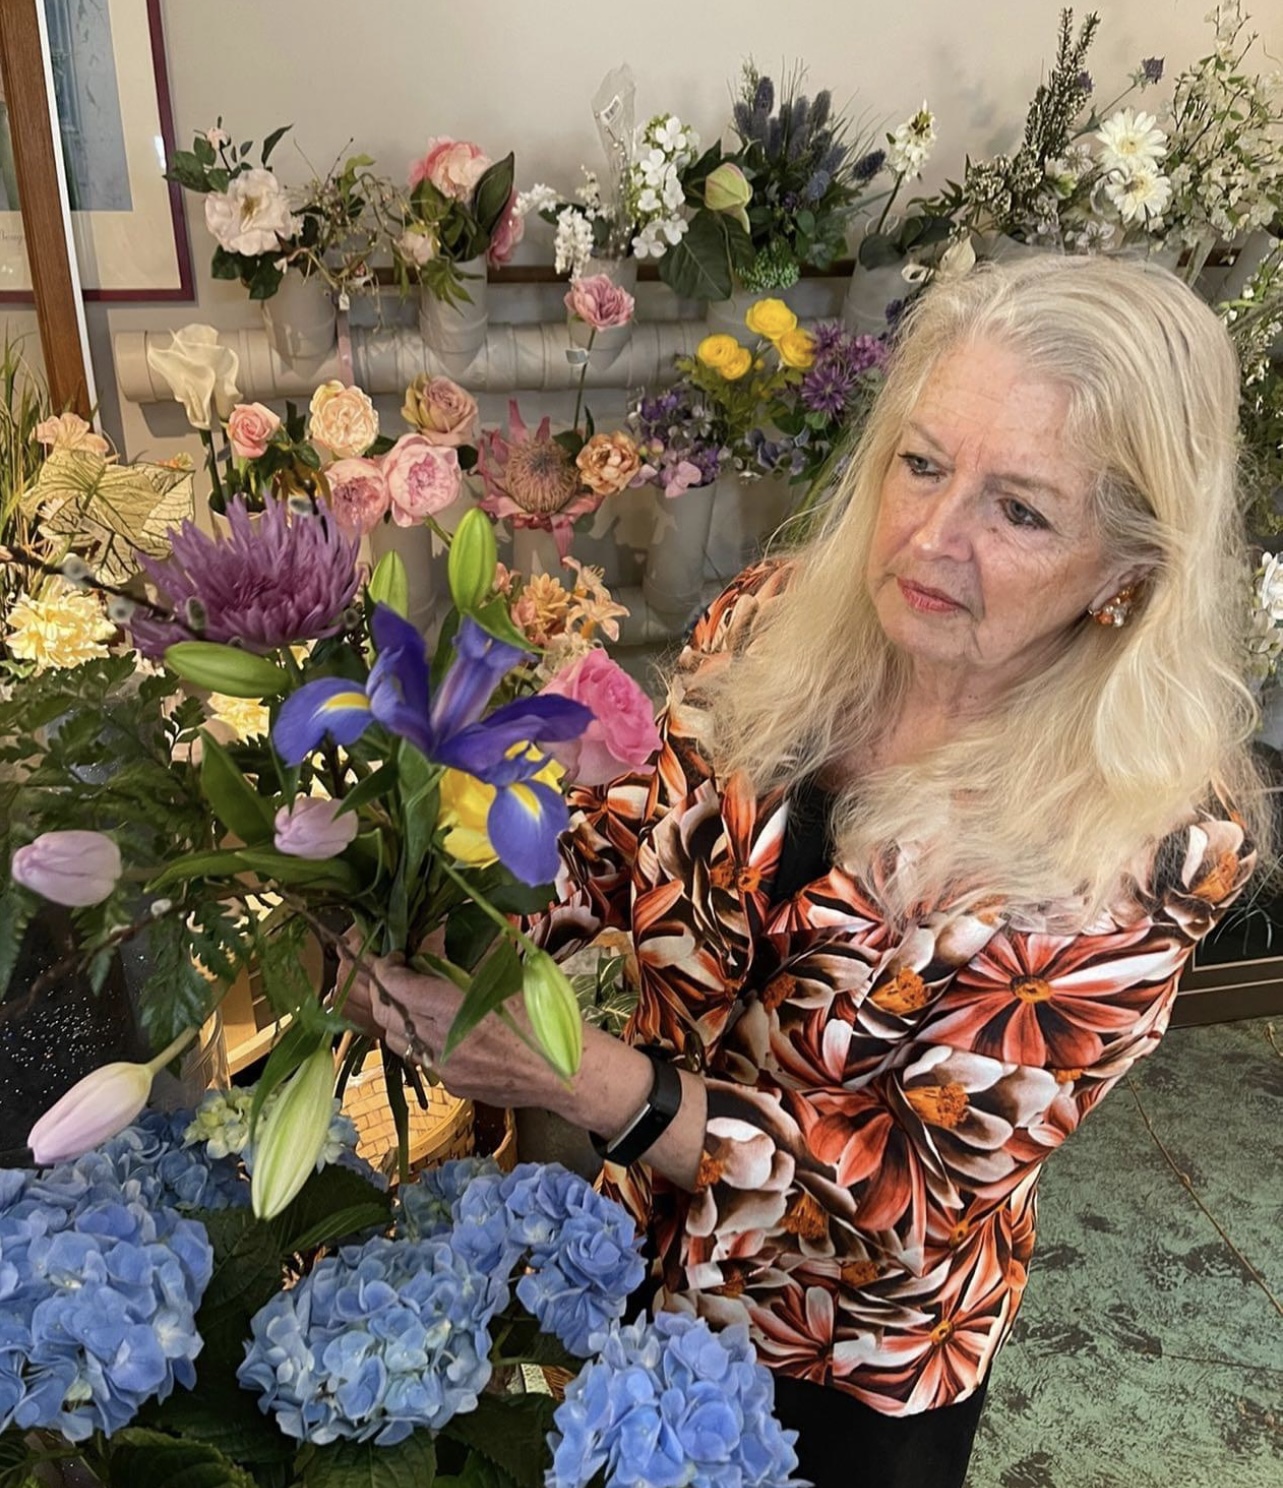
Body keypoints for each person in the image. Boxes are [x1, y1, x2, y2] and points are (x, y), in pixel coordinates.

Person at [347, 256, 1264, 1488]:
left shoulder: (1150, 841)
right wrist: (441, 911)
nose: (930, 539)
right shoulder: (775, 621)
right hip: (639, 1259)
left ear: (1126, 571)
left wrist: (585, 1080)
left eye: (1019, 511)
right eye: (921, 463)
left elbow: (907, 1193)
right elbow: (630, 838)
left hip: (845, 1355)